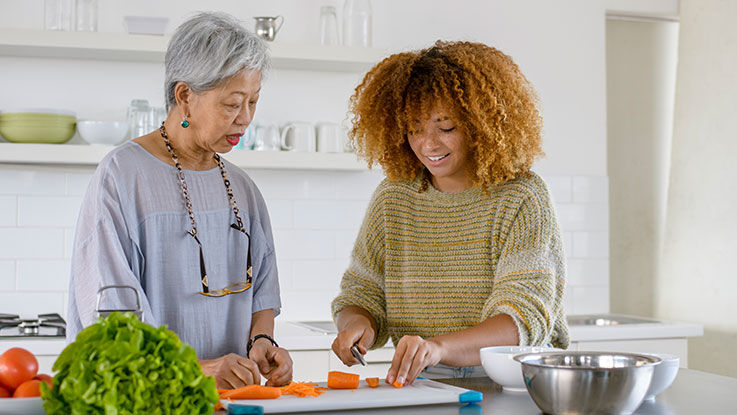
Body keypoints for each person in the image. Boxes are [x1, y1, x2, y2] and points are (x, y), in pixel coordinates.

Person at [67, 12, 292, 388]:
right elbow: (110, 319)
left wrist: (263, 343)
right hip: (144, 398)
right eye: (232, 103)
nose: (245, 118)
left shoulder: (243, 188)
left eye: (253, 101)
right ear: (185, 96)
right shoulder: (122, 175)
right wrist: (197, 368)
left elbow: (262, 292)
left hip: (232, 400)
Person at [331, 40, 569, 386]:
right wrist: (358, 325)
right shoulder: (394, 198)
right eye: (414, 128)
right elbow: (361, 293)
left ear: (482, 123)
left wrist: (436, 347)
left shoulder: (520, 197)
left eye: (446, 128)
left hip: (515, 380)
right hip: (424, 381)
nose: (428, 145)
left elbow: (521, 320)